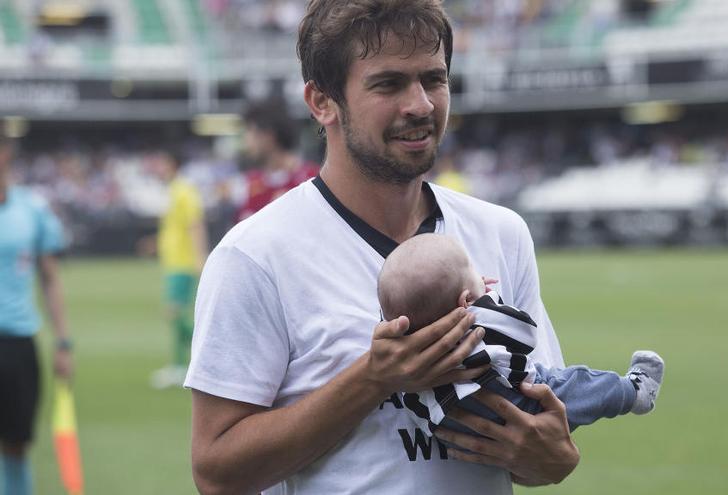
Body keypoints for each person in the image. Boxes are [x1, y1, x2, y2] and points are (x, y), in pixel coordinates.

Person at [185, 1, 581, 494]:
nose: (420, 104)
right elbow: (217, 474)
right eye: (389, 83)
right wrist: (375, 378)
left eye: (433, 79)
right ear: (322, 102)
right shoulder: (257, 255)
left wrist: (551, 457)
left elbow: (546, 444)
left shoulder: (501, 232)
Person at [377, 233, 663, 435]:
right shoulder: (478, 325)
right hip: (518, 407)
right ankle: (633, 391)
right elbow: (525, 334)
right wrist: (489, 298)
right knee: (578, 382)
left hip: (450, 422)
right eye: (476, 276)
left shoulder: (404, 339)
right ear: (465, 302)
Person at [0, 136, 73, 495]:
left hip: (16, 343)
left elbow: (50, 278)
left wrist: (63, 341)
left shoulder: (30, 208)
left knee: (16, 445)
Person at [149, 151, 208, 389]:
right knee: (175, 314)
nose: (158, 168)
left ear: (172, 164)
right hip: (174, 261)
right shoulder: (174, 190)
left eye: (162, 163)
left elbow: (195, 224)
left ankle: (191, 360)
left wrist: (199, 257)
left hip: (183, 262)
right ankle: (186, 363)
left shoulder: (184, 190)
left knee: (173, 313)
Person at [234, 102, 321, 222]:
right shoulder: (250, 185)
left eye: (250, 132)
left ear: (269, 136)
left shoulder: (313, 179)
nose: (247, 142)